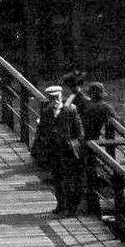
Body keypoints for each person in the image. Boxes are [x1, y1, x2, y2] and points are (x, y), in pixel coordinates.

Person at [51, 88, 85, 216]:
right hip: (54, 150)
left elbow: (79, 131)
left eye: (56, 98)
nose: (54, 101)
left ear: (60, 97)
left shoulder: (71, 109)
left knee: (70, 179)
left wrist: (74, 144)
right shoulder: (47, 111)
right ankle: (60, 204)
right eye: (51, 98)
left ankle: (72, 207)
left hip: (68, 150)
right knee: (57, 178)